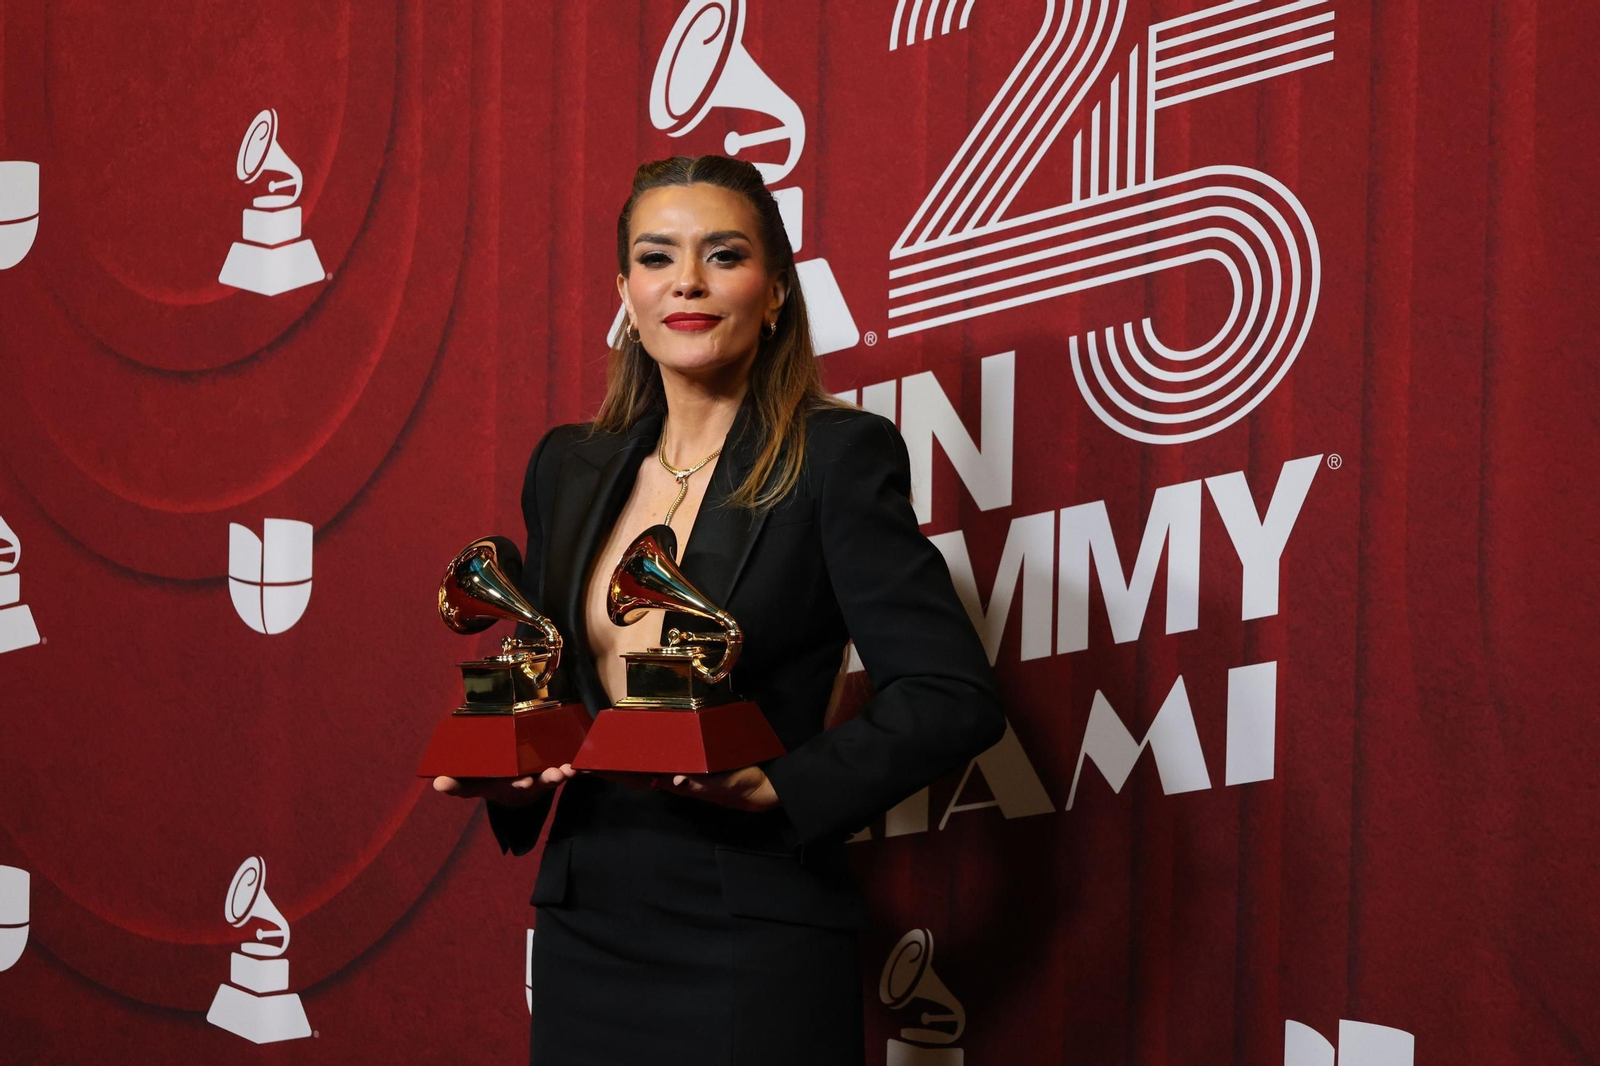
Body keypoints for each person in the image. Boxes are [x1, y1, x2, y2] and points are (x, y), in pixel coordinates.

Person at [433, 154, 1004, 1065]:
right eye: (657, 258)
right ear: (625, 290)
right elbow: (548, 682)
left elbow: (949, 695)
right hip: (590, 921)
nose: (687, 281)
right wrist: (512, 778)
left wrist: (780, 786)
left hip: (753, 926)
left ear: (775, 291)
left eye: (724, 255)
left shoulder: (836, 458)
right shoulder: (569, 467)